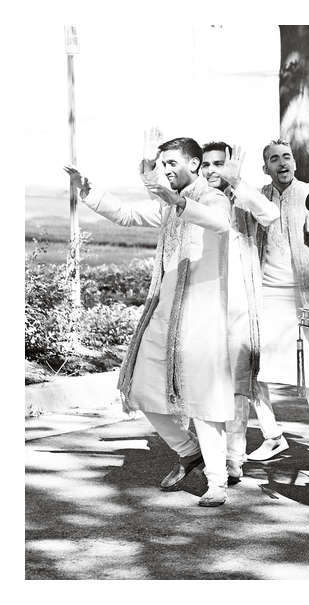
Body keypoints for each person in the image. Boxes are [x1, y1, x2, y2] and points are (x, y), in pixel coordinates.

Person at [64, 134, 233, 506]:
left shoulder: (213, 198)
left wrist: (179, 201)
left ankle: (217, 480)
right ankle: (189, 452)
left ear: (194, 163)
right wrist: (90, 191)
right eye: (163, 164)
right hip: (163, 311)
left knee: (204, 399)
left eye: (172, 163)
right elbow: (126, 215)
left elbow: (219, 223)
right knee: (140, 388)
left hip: (200, 315)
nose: (166, 170)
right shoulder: (168, 207)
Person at [199, 141, 280, 483]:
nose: (212, 170)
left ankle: (233, 458)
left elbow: (270, 214)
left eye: (219, 163)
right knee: (206, 385)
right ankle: (205, 454)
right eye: (206, 164)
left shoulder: (244, 200)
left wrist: (237, 184)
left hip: (241, 307)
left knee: (238, 388)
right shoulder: (195, 200)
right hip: (202, 307)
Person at [246, 140, 309, 461]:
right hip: (264, 297)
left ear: (295, 163)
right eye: (274, 159)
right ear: (266, 168)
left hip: (303, 298)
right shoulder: (259, 197)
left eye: (286, 157)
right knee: (250, 365)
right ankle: (272, 434)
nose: (281, 163)